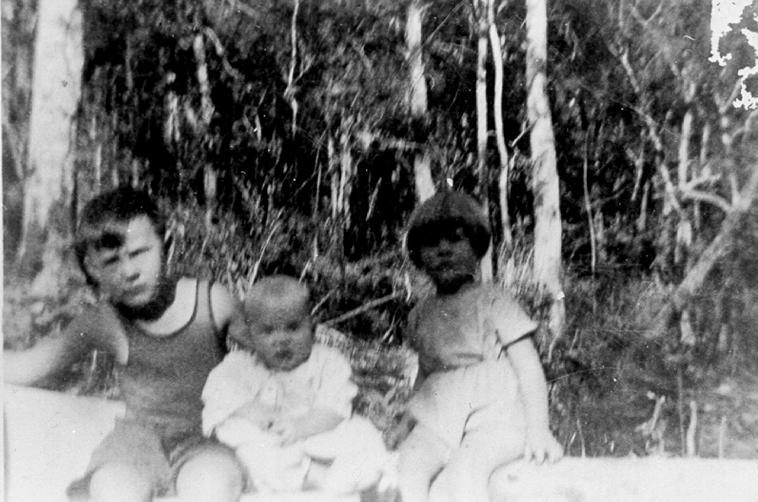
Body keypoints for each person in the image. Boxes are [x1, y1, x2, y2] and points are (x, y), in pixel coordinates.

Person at [4, 186, 245, 502]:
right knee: (114, 487)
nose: (129, 272)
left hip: (206, 439)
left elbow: (277, 356)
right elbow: (29, 366)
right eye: (112, 261)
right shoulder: (104, 321)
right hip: (135, 445)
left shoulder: (211, 302)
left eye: (139, 253)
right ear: (93, 269)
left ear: (166, 246)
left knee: (212, 483)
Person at [396, 190, 563, 502]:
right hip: (440, 415)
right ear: (419, 255)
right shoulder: (421, 313)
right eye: (432, 243)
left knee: (464, 472)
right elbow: (425, 375)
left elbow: (528, 368)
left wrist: (539, 429)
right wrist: (408, 421)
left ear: (476, 247)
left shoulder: (494, 300)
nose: (443, 249)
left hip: (494, 417)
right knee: (408, 464)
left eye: (456, 239)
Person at [201, 275, 391, 497]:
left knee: (363, 432)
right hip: (272, 441)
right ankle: (314, 477)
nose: (281, 339)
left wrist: (300, 427)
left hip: (319, 432)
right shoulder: (240, 365)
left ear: (312, 327)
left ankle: (355, 476)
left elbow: (334, 408)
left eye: (292, 328)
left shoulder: (328, 362)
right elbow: (221, 395)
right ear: (251, 335)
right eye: (268, 331)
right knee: (248, 449)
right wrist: (261, 414)